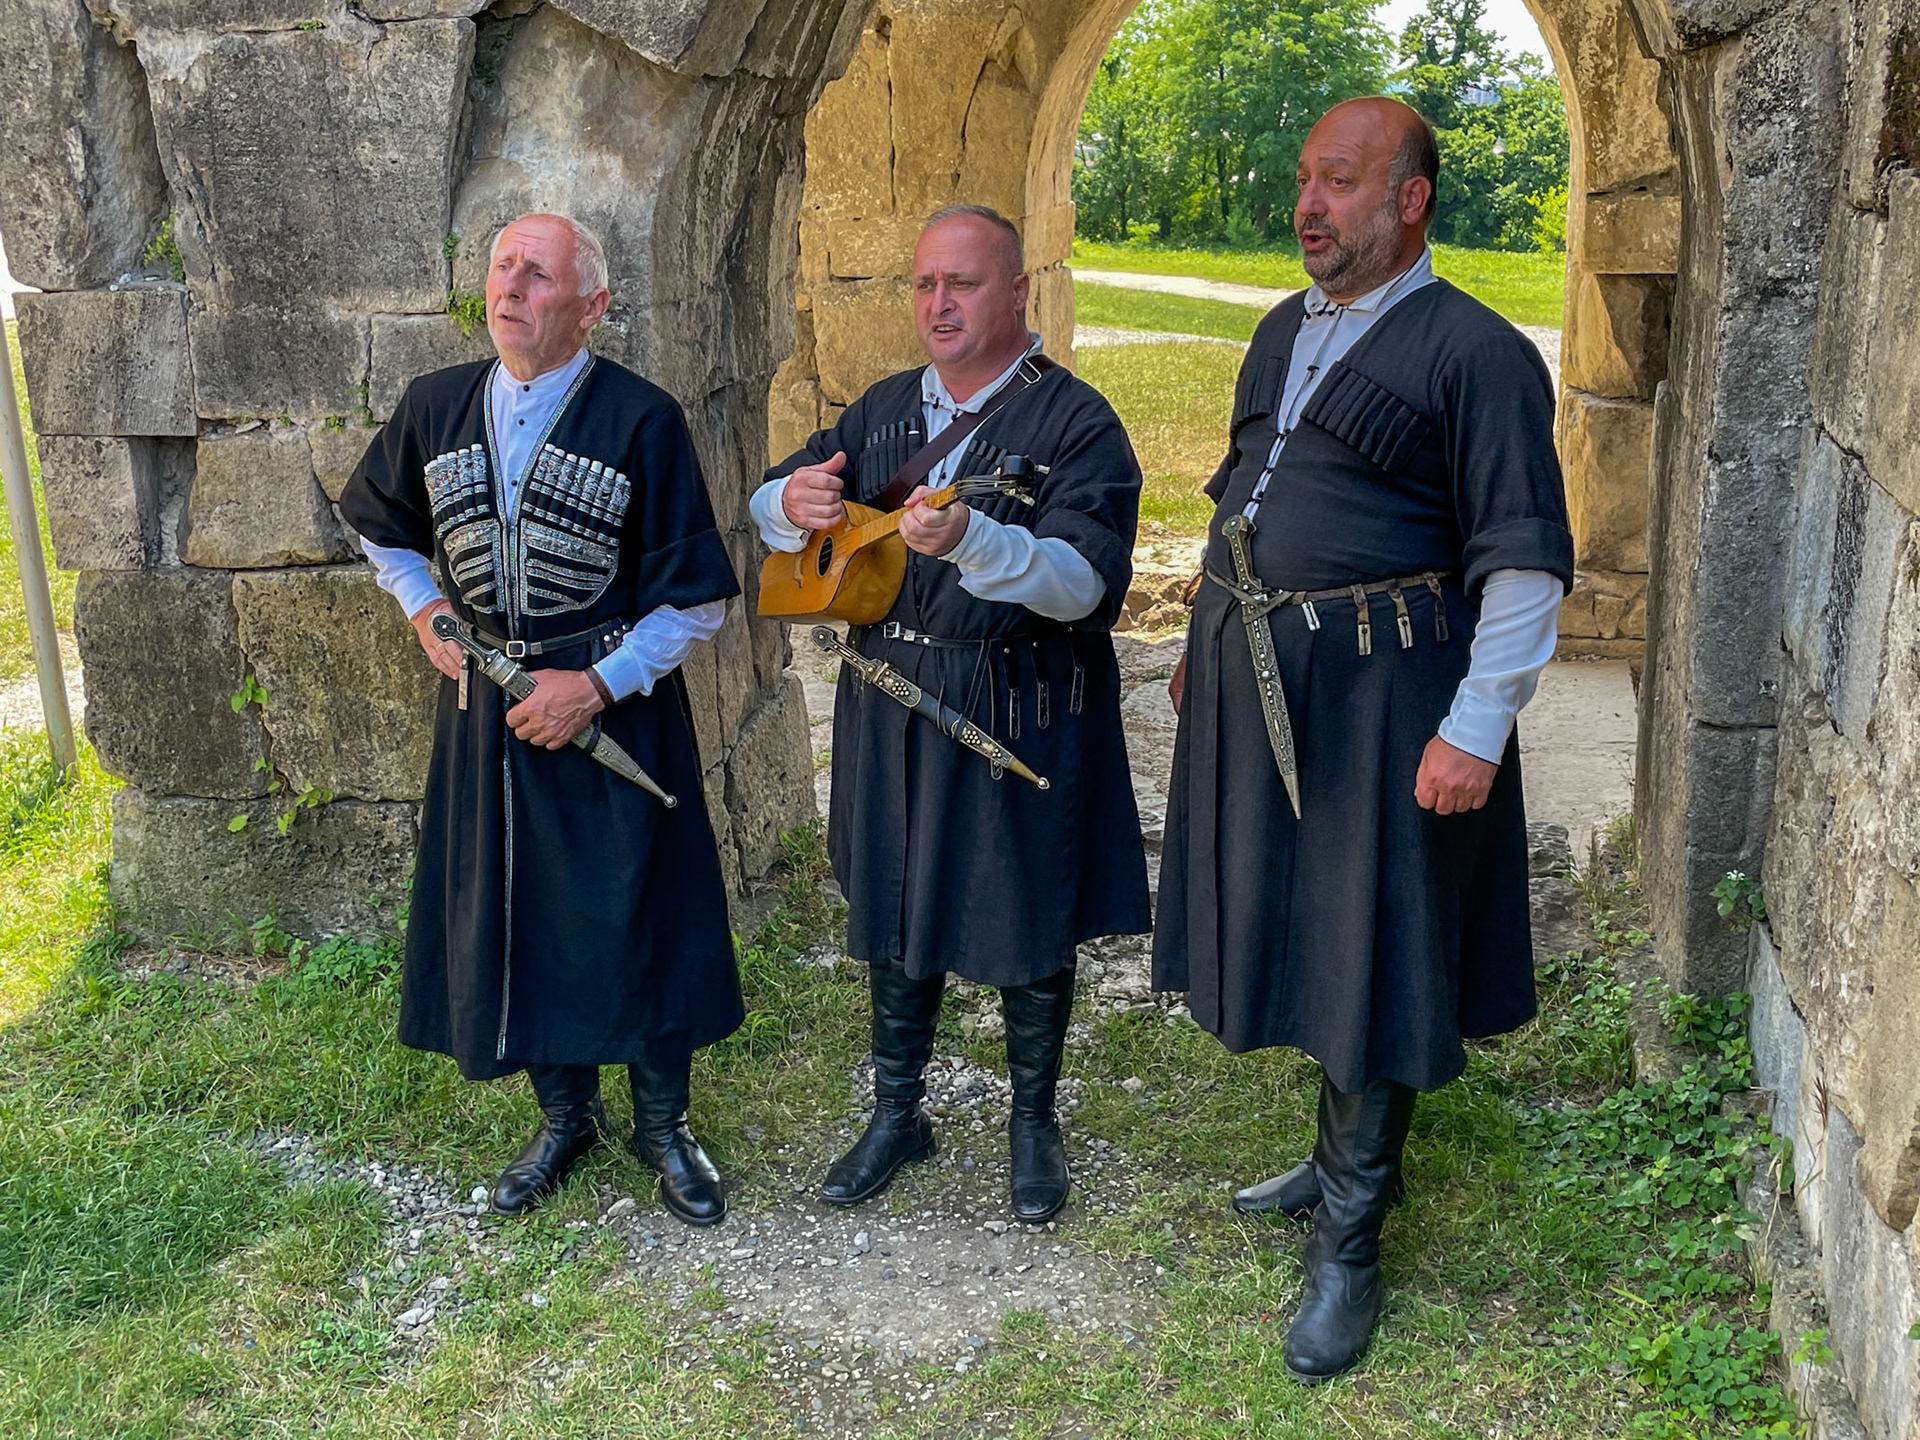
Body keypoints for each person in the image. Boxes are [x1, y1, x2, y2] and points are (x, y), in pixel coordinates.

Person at [1152, 99, 1574, 1381]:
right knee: (1299, 915)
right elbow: (1246, 495)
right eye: (1303, 179)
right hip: (1266, 678)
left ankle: (1351, 1235)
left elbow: (1523, 565)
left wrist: (1477, 726)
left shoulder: (1479, 353)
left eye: (1338, 182)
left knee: (1374, 932)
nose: (1308, 205)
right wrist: (1203, 641)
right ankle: (1332, 1158)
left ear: (1410, 201)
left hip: (1392, 698)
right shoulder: (1284, 330)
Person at [340, 213, 743, 1227]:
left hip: (616, 708)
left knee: (638, 907)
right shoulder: (435, 406)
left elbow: (696, 597)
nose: (510, 288)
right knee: (513, 910)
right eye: (501, 267)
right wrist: (427, 609)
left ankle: (664, 1127)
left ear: (592, 306)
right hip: (487, 713)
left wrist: (595, 687)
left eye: (538, 275)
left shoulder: (642, 421)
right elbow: (379, 525)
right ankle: (566, 1116)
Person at [751, 205, 1151, 1224]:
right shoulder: (882, 408)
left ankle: (1032, 1125)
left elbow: (1087, 585)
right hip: (889, 695)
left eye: (963, 284)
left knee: (1028, 906)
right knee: (891, 902)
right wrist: (783, 504)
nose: (938, 304)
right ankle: (898, 1113)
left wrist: (977, 542)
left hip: (1021, 694)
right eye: (925, 284)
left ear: (1018, 291)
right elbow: (774, 496)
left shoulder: (1078, 425)